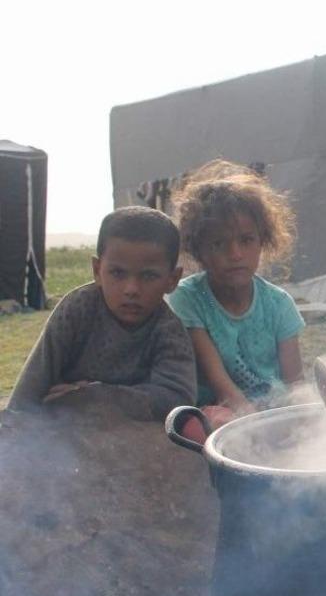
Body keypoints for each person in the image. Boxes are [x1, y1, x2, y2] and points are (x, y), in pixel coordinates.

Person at [7, 207, 196, 420]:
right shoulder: (77, 309)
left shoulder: (168, 330)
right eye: (117, 273)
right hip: (64, 435)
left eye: (149, 276)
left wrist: (93, 396)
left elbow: (178, 400)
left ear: (172, 279)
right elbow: (27, 394)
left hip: (133, 440)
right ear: (97, 270)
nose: (131, 289)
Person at [167, 161, 305, 420]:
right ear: (199, 250)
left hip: (275, 408)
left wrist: (296, 420)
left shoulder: (279, 304)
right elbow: (221, 385)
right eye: (219, 243)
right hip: (224, 410)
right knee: (214, 422)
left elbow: (296, 383)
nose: (235, 254)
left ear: (262, 241)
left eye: (246, 240)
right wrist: (254, 424)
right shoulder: (189, 299)